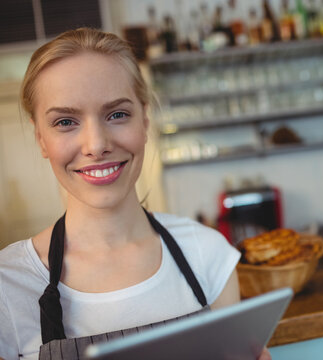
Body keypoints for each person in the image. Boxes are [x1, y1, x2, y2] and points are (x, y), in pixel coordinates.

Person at [0, 28, 271, 360]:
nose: (96, 145)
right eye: (66, 122)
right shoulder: (8, 285)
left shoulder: (208, 255)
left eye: (117, 115)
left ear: (144, 119)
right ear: (41, 138)